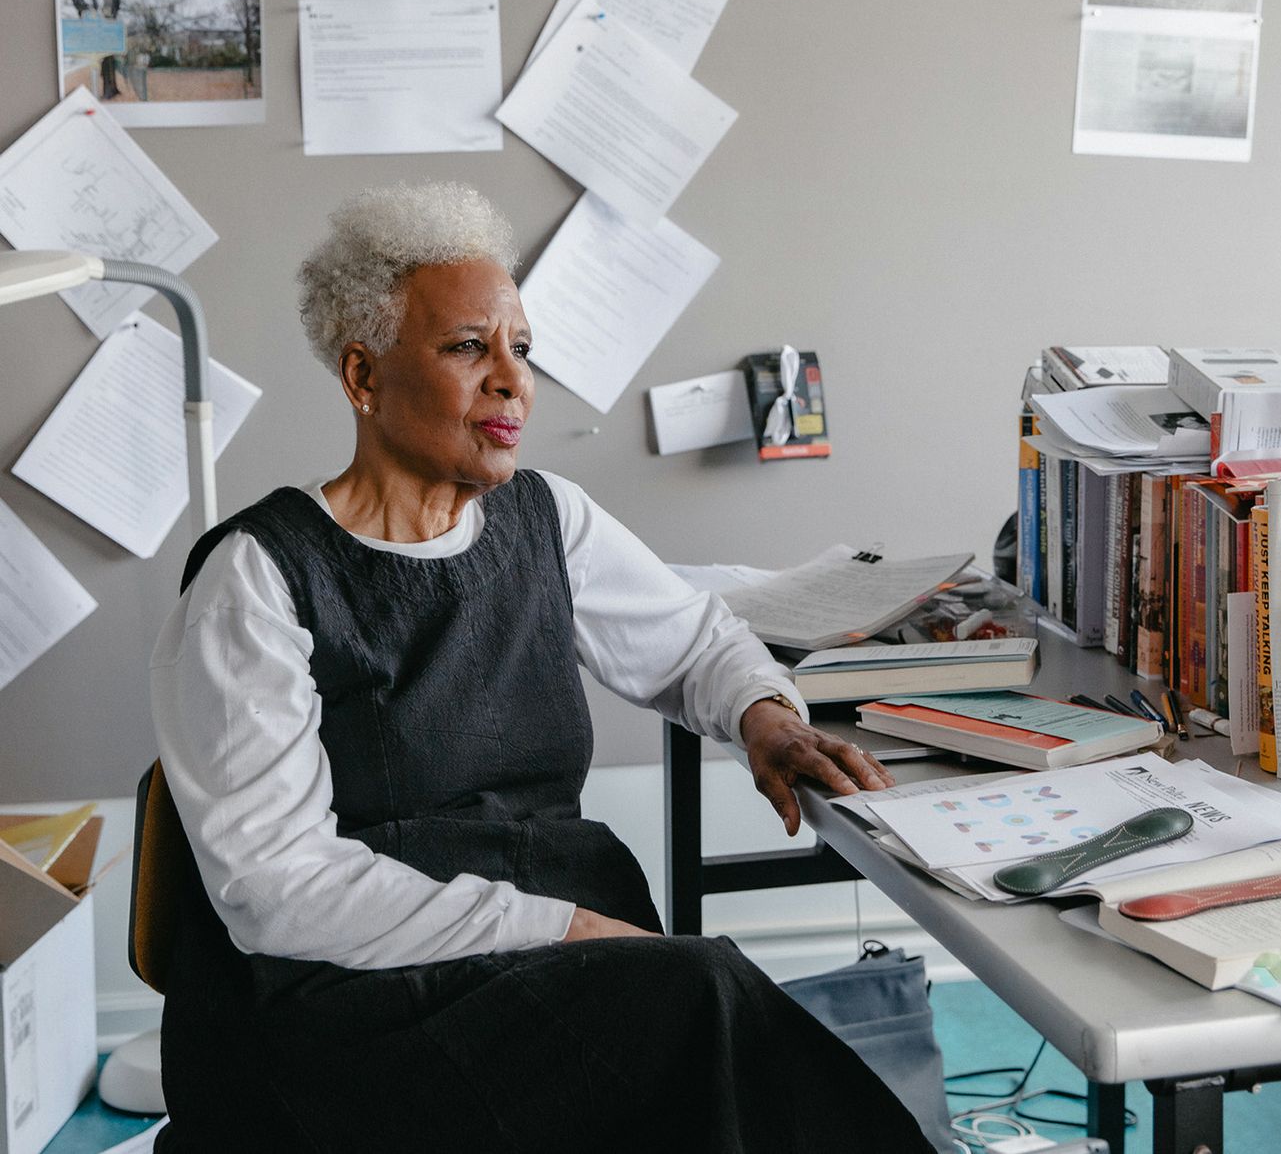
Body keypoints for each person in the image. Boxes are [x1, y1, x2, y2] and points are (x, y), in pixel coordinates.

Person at [150, 182, 934, 1152]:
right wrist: (562, 928)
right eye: (467, 347)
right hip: (352, 1001)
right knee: (701, 1001)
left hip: (552, 953)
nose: (512, 381)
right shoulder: (255, 577)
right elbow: (281, 891)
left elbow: (696, 640)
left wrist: (764, 717)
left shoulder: (544, 516)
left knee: (700, 1022)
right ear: (363, 374)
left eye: (520, 348)